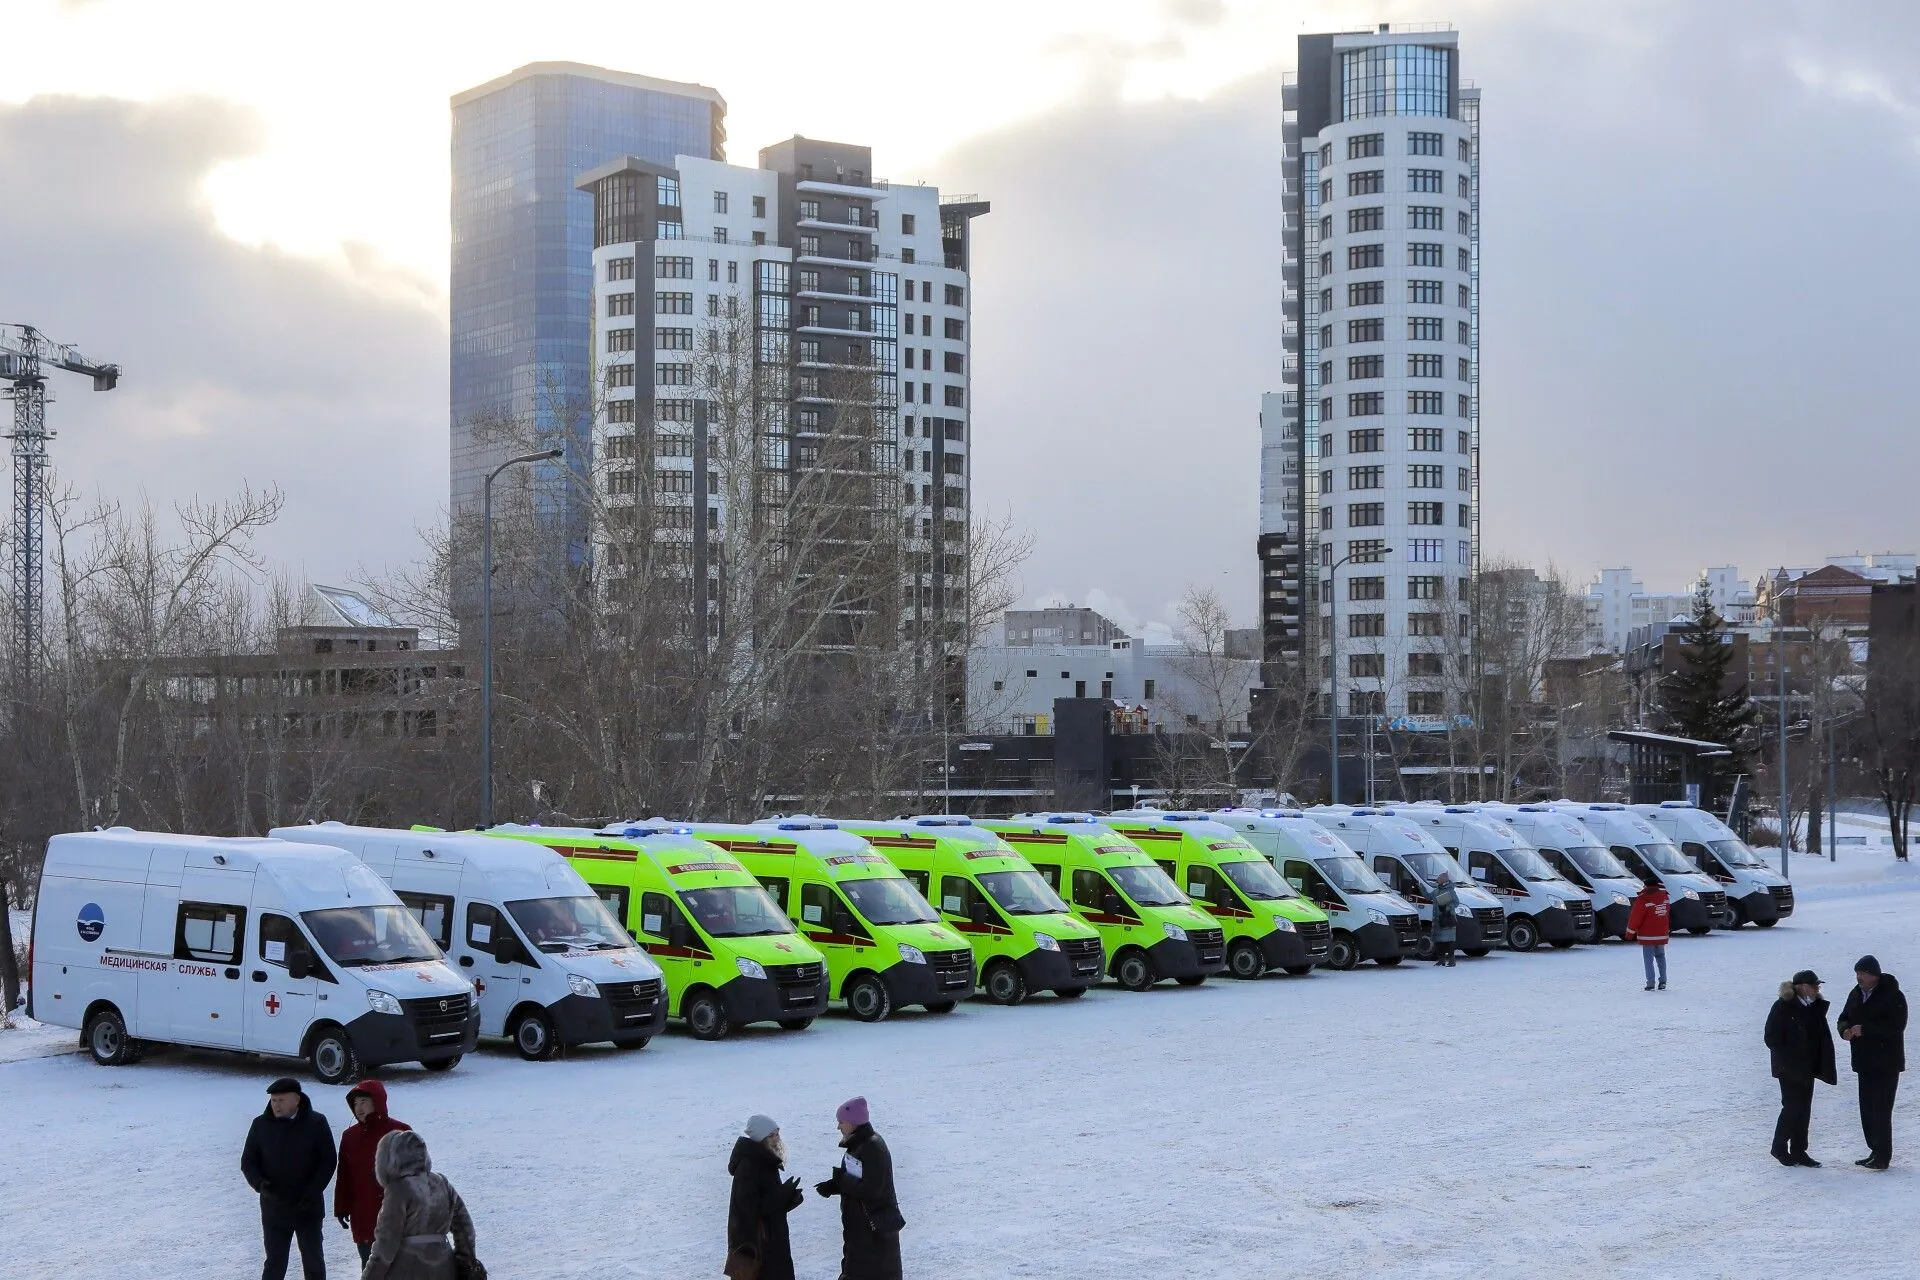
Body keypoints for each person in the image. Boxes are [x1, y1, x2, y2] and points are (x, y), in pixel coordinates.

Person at [241, 1077, 338, 1280]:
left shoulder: (316, 1123)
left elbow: (327, 1161)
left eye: (281, 1100)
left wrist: (311, 1192)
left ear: (297, 1099)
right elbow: (248, 1162)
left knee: (313, 1262)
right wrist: (261, 1184)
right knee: (275, 1263)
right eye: (274, 1100)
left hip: (307, 1207)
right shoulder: (260, 1125)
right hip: (274, 1207)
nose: (276, 1105)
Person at [360, 1129, 482, 1280]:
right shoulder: (442, 1183)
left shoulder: (398, 1189)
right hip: (444, 1267)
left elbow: (386, 1244)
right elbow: (465, 1229)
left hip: (405, 1270)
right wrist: (466, 1262)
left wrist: (370, 1277)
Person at [815, 1096, 903, 1280]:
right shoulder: (860, 1144)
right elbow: (859, 1181)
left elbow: (872, 1190)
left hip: (873, 1235)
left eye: (841, 1122)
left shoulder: (873, 1147)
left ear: (853, 1122)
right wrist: (834, 1185)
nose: (838, 1127)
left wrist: (841, 1180)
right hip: (862, 1233)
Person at [1836, 954, 1907, 1170]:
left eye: (1862, 973)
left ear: (1874, 975)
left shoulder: (1892, 995)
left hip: (1886, 1062)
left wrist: (1865, 1030)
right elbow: (1844, 1017)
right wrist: (1844, 1030)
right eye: (1857, 973)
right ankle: (1874, 1150)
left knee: (1881, 1109)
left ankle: (1883, 1156)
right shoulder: (1856, 993)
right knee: (1867, 1108)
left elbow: (1896, 1026)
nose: (1858, 977)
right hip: (1864, 1061)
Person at [1764, 969, 1835, 1167]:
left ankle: (1799, 1150)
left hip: (1807, 1067)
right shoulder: (1782, 1007)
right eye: (1813, 985)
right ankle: (1779, 1147)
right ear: (1801, 986)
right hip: (1789, 1068)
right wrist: (1789, 1055)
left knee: (1804, 1109)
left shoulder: (1814, 1007)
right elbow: (1771, 1037)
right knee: (1792, 1107)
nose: (1816, 989)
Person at [336, 1080, 411, 1266]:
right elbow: (344, 1175)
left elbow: (415, 1174)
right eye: (355, 1104)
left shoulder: (400, 1131)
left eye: (363, 1102)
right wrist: (342, 1206)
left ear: (377, 1102)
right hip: (363, 1215)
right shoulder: (350, 1137)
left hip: (397, 1215)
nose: (358, 1108)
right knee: (370, 1266)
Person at [728, 1114, 803, 1280]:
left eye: (778, 1133)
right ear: (761, 1138)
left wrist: (790, 1198)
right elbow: (748, 1210)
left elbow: (768, 1203)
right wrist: (781, 1195)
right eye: (772, 1135)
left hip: (772, 1242)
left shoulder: (764, 1160)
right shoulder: (749, 1165)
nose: (777, 1139)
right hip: (760, 1247)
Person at [1623, 876, 1670, 991]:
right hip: (1661, 932)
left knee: (1648, 959)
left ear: (1646, 885)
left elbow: (1636, 917)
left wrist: (1630, 932)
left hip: (1647, 935)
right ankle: (1663, 981)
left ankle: (1650, 983)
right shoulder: (1664, 895)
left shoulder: (1643, 898)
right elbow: (1667, 912)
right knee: (1660, 957)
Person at [1429, 872, 1460, 967]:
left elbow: (1456, 902)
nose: (1437, 880)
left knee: (1450, 941)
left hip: (1448, 919)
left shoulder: (1450, 891)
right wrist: (1421, 887)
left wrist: (1448, 907)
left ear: (1444, 880)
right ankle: (1441, 959)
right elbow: (1429, 896)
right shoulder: (1437, 890)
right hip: (1438, 920)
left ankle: (1452, 960)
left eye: (1439, 878)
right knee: (1438, 941)